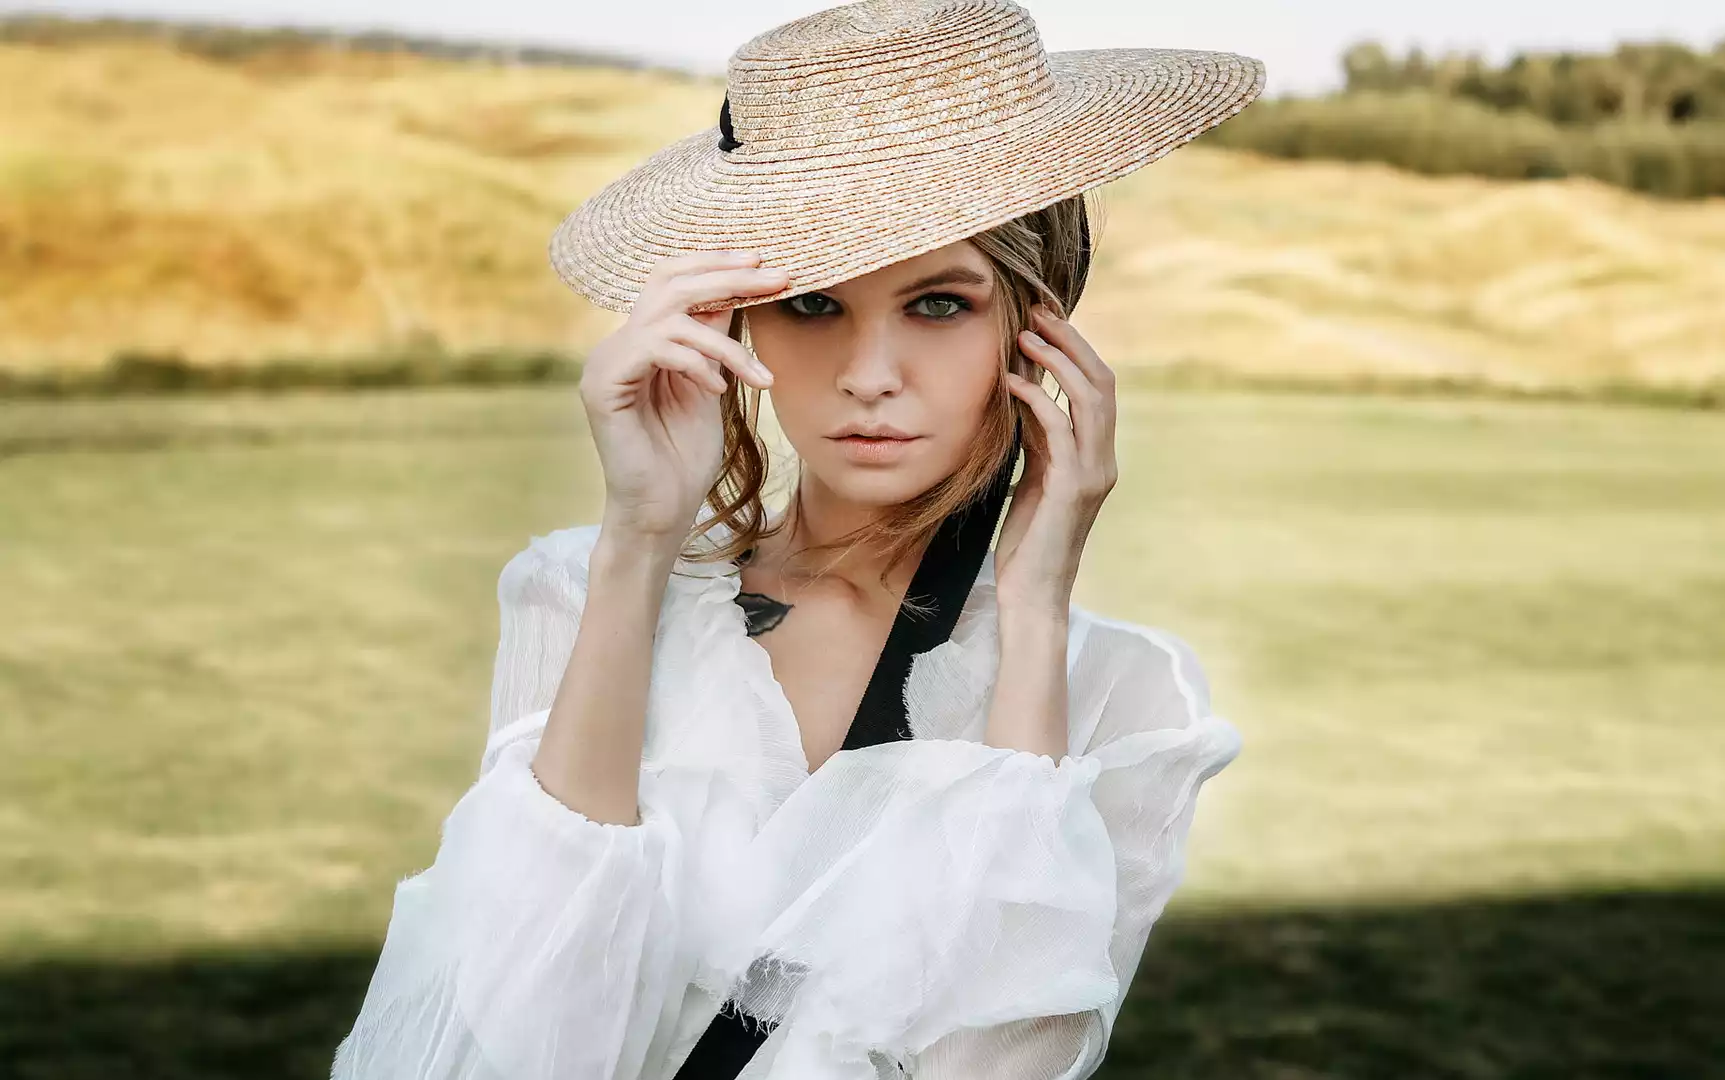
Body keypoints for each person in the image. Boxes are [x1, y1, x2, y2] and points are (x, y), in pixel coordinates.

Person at [332, 1, 1263, 1077]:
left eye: (939, 305)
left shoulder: (1126, 697)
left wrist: (1035, 608)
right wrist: (639, 541)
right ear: (736, 322)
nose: (870, 375)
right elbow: (515, 1031)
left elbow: (998, 1060)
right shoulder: (576, 597)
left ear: (1038, 322)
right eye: (815, 303)